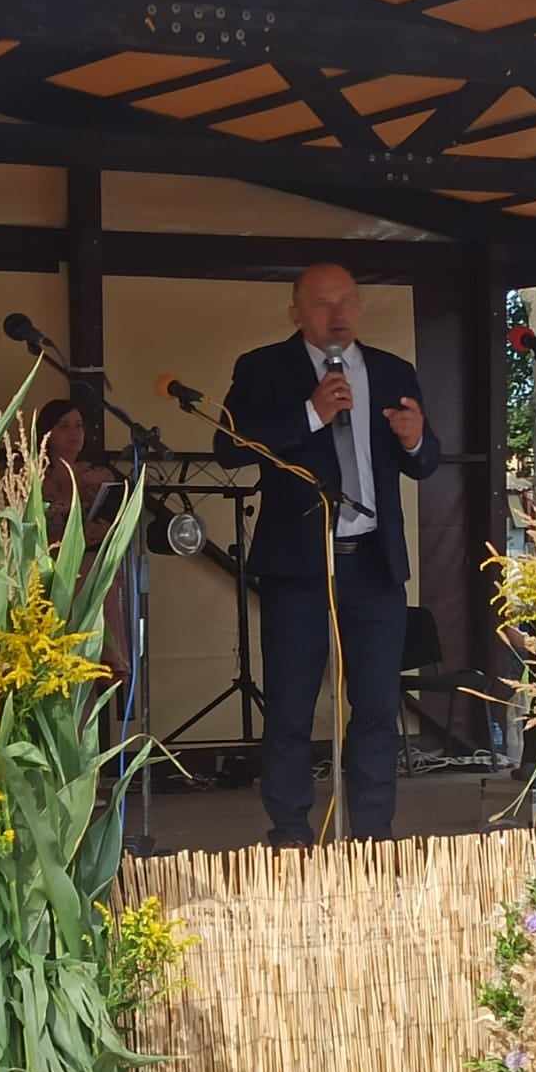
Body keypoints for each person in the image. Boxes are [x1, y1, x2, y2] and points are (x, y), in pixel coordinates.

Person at [213, 263, 441, 846]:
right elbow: (229, 448)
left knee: (377, 704)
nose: (337, 314)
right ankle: (290, 830)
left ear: (360, 306)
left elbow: (424, 462)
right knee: (290, 704)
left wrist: (415, 438)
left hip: (373, 561)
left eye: (346, 302)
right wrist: (311, 413)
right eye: (321, 303)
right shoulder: (263, 367)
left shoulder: (392, 371)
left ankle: (373, 832)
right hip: (299, 563)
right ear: (295, 311)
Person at [37, 398, 129, 673]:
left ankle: (109, 662)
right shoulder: (35, 475)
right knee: (88, 572)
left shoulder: (97, 475)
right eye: (64, 426)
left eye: (78, 425)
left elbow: (116, 517)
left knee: (102, 571)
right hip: (51, 564)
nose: (74, 433)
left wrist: (103, 528)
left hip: (91, 559)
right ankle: (101, 661)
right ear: (48, 432)